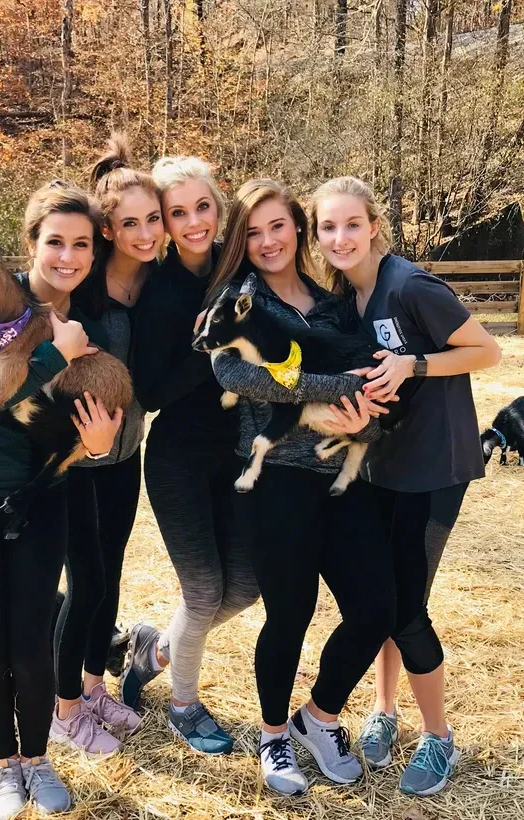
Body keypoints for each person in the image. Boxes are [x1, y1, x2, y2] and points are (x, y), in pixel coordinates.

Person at [0, 181, 124, 820]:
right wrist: (50, 358)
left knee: (32, 651)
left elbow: (80, 425)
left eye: (81, 245)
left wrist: (97, 444)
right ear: (28, 246)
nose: (67, 256)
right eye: (54, 242)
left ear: (95, 255)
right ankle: (4, 770)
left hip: (39, 503)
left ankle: (36, 762)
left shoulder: (82, 326)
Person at [204, 178, 400, 796]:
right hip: (277, 481)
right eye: (253, 232)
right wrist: (333, 384)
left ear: (299, 227)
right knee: (291, 612)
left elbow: (373, 372)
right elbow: (235, 374)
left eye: (278, 227)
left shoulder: (337, 301)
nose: (267, 242)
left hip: (340, 477)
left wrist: (365, 406)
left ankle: (318, 718)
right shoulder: (238, 301)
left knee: (377, 608)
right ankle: (271, 735)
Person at [310, 175, 501, 796]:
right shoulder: (348, 297)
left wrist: (414, 362)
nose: (341, 237)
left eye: (351, 224)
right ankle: (384, 712)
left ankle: (439, 736)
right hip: (380, 466)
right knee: (385, 596)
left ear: (373, 227)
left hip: (434, 470)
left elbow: (486, 350)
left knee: (407, 607)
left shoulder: (411, 284)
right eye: (328, 227)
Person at [120, 156, 259, 755]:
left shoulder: (243, 263)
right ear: (164, 223)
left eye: (202, 206)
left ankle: (154, 650)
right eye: (178, 213)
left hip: (240, 454)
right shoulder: (160, 290)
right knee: (204, 592)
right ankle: (182, 705)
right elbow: (148, 393)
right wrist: (212, 349)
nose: (194, 221)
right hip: (178, 458)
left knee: (246, 586)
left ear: (219, 203)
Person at [49, 134, 163, 755]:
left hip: (126, 455)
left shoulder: (158, 286)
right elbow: (12, 322)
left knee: (111, 576)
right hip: (74, 464)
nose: (145, 233)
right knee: (86, 584)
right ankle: (63, 708)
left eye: (154, 219)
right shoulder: (82, 292)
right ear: (109, 230)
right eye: (130, 223)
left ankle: (94, 687)